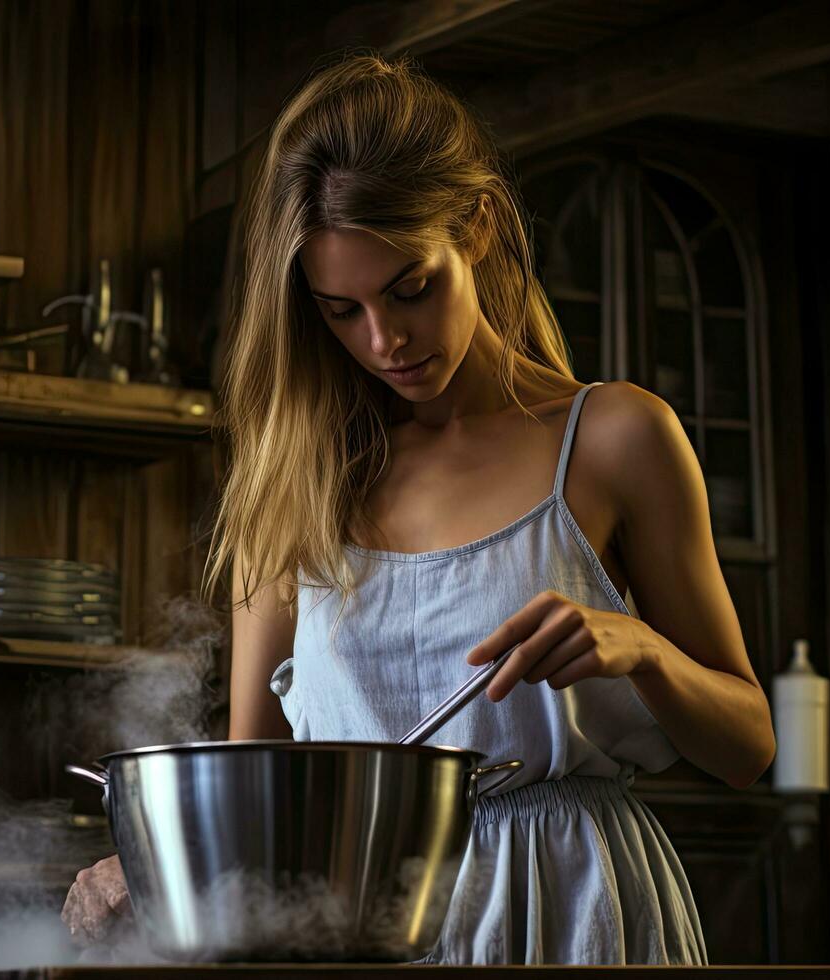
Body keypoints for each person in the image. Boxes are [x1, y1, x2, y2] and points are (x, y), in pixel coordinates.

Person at [62, 53, 775, 965]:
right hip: (358, 925)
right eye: (340, 311)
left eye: (410, 288)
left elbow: (747, 746)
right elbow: (255, 794)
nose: (384, 339)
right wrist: (147, 867)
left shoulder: (614, 437)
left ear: (475, 228)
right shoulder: (293, 489)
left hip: (573, 912)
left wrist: (639, 649)